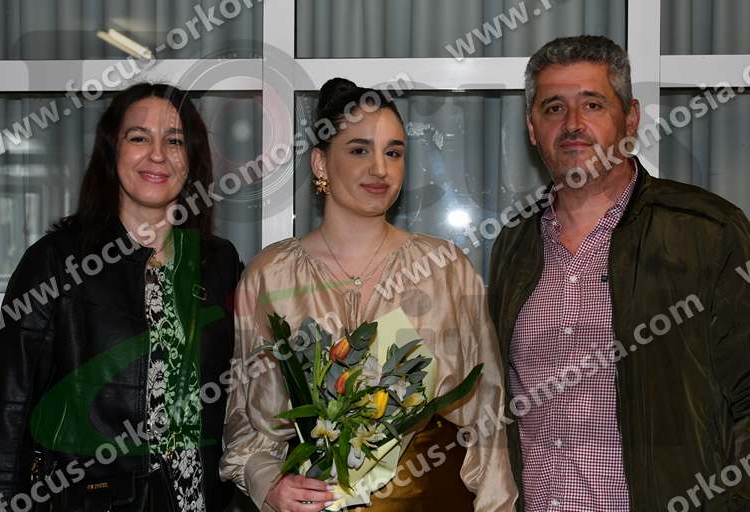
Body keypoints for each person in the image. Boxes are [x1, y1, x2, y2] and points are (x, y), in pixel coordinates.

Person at [220, 78, 517, 512]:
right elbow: (244, 417)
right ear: (320, 163)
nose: (380, 169)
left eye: (393, 153)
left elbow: (488, 415)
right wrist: (267, 482)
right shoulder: (271, 275)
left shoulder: (445, 269)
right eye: (359, 150)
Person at [487, 35, 750, 511]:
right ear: (531, 128)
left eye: (592, 104)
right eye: (553, 108)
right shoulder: (514, 246)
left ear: (630, 119)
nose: (572, 124)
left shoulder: (706, 231)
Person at [0, 83, 241, 511]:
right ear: (111, 151)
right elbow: (9, 408)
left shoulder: (219, 265)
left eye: (174, 141)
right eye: (138, 137)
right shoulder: (57, 261)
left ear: (193, 159)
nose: (157, 155)